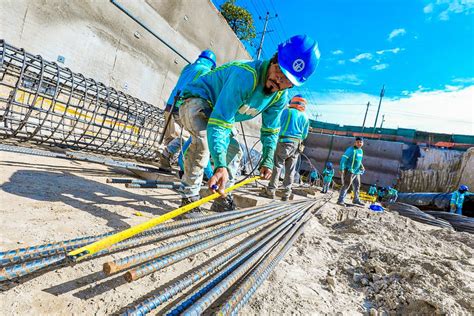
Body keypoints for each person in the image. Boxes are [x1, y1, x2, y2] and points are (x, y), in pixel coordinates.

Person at [178, 35, 320, 213]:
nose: (279, 80)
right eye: (279, 71)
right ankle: (189, 199)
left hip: (219, 113)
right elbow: (220, 121)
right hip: (197, 101)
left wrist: (268, 160)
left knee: (235, 151)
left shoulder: (278, 96)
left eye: (286, 80)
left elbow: (270, 131)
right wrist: (220, 165)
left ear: (292, 85)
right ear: (273, 60)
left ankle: (222, 196)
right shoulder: (246, 76)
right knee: (203, 143)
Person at [160, 50, 217, 170]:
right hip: (182, 104)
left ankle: (165, 162)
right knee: (188, 136)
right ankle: (166, 154)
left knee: (171, 137)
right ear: (211, 64)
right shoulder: (206, 72)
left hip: (171, 103)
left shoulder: (188, 67)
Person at [261, 94, 310, 201]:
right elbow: (305, 135)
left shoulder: (287, 111)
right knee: (290, 170)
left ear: (293, 102)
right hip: (297, 145)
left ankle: (270, 191)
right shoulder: (305, 117)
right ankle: (286, 194)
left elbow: (277, 125)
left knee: (277, 165)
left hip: (284, 141)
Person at [337, 136, 365, 206]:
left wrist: (361, 166)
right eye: (357, 142)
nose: (359, 143)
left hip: (357, 171)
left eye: (360, 142)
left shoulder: (360, 151)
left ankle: (356, 200)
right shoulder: (351, 150)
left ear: (363, 143)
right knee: (346, 185)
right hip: (350, 171)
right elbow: (343, 159)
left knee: (357, 185)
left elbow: (358, 160)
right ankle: (340, 200)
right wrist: (342, 168)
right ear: (355, 143)